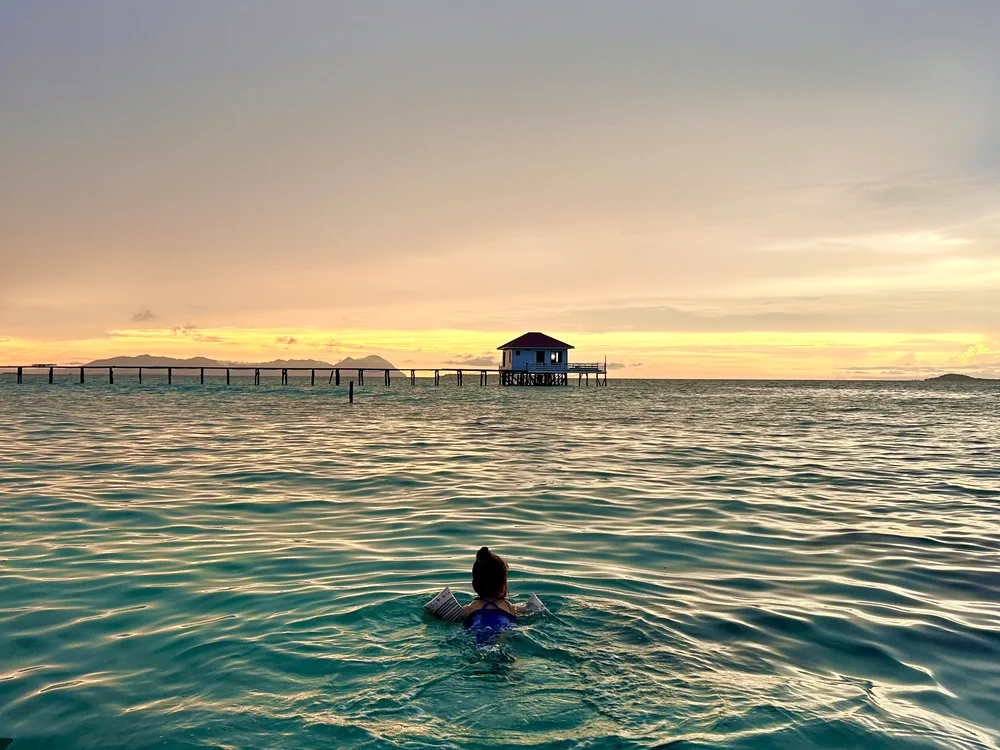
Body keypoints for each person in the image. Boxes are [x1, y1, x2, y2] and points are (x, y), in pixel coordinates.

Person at [463, 546, 521, 635]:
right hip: (503, 629)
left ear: (474, 585)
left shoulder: (469, 609)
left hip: (476, 631)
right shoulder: (510, 607)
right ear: (503, 586)